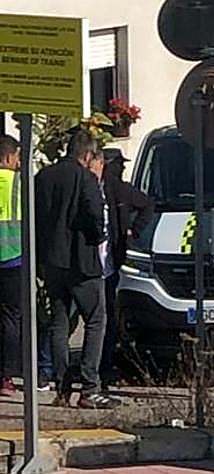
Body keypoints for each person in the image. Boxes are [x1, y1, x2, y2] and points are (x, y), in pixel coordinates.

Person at [35, 130, 117, 408]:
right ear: (87, 155)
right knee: (96, 320)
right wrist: (97, 238)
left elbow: (35, 217)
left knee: (59, 323)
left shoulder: (43, 177)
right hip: (82, 262)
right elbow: (95, 216)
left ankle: (61, 387)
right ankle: (90, 388)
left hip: (52, 262)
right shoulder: (86, 178)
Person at [99, 149, 154, 389]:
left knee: (95, 318)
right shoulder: (108, 188)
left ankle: (55, 370)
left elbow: (146, 205)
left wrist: (133, 229)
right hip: (105, 262)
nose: (122, 168)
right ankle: (104, 365)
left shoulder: (117, 189)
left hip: (104, 262)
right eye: (119, 164)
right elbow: (147, 205)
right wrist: (134, 230)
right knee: (105, 318)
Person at [0, 136, 21, 396]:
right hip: (13, 260)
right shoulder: (19, 184)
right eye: (17, 157)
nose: (18, 162)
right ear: (7, 158)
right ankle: (6, 377)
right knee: (10, 320)